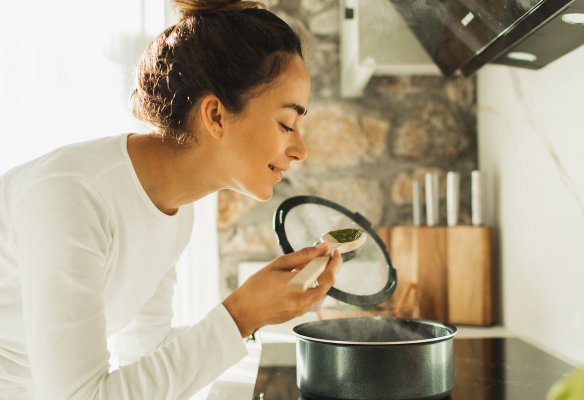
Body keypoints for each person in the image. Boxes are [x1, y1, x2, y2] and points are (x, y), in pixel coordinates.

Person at [0, 0, 342, 398]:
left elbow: (143, 352)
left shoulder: (175, 212)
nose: (301, 150)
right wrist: (241, 314)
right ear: (215, 114)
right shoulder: (70, 197)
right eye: (287, 123)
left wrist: (259, 314)